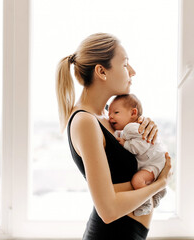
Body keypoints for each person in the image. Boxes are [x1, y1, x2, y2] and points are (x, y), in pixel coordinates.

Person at [56, 33, 172, 240]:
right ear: (101, 71)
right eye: (125, 64)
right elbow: (108, 211)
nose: (133, 72)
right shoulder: (85, 121)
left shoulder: (107, 119)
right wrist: (160, 184)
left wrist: (145, 127)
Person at [108, 94, 167, 216]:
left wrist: (125, 144)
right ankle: (159, 191)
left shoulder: (131, 128)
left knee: (137, 180)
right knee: (141, 179)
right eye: (109, 113)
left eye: (116, 112)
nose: (111, 117)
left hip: (153, 162)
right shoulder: (128, 129)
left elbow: (141, 146)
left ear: (133, 113)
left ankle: (146, 203)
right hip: (154, 161)